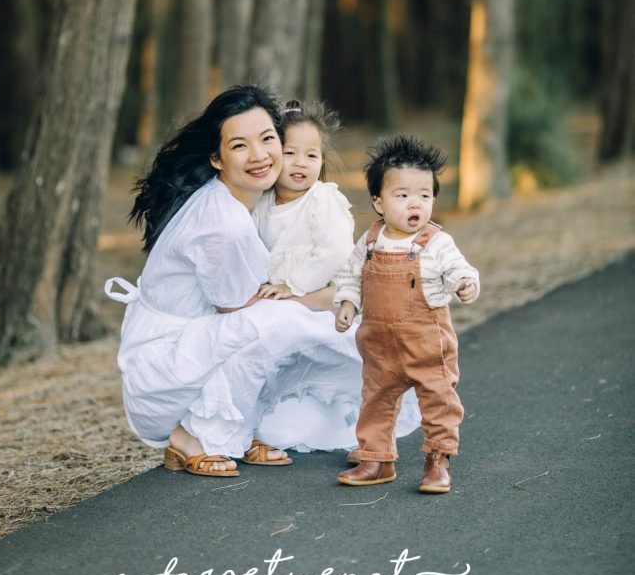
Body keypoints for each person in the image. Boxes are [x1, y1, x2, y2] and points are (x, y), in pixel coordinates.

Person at [104, 85, 419, 478]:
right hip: (165, 377)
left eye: (268, 139)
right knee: (283, 322)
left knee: (303, 334)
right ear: (216, 158)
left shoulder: (241, 200)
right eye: (239, 145)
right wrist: (326, 298)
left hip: (189, 352)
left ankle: (241, 429)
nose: (259, 155)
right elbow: (240, 312)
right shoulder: (225, 223)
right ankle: (191, 437)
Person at [334, 134, 480, 493]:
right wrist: (348, 304)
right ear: (378, 202)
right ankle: (376, 458)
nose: (415, 203)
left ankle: (438, 458)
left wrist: (465, 284)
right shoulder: (370, 241)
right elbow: (350, 277)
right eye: (402, 196)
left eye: (424, 196)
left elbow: (460, 269)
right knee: (376, 399)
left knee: (438, 399)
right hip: (379, 344)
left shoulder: (436, 242)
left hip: (426, 343)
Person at [252, 99, 355, 303]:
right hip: (277, 296)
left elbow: (336, 252)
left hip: (324, 296)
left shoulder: (322, 200)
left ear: (322, 160)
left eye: (311, 156)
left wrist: (293, 286)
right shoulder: (261, 202)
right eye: (290, 153)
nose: (301, 163)